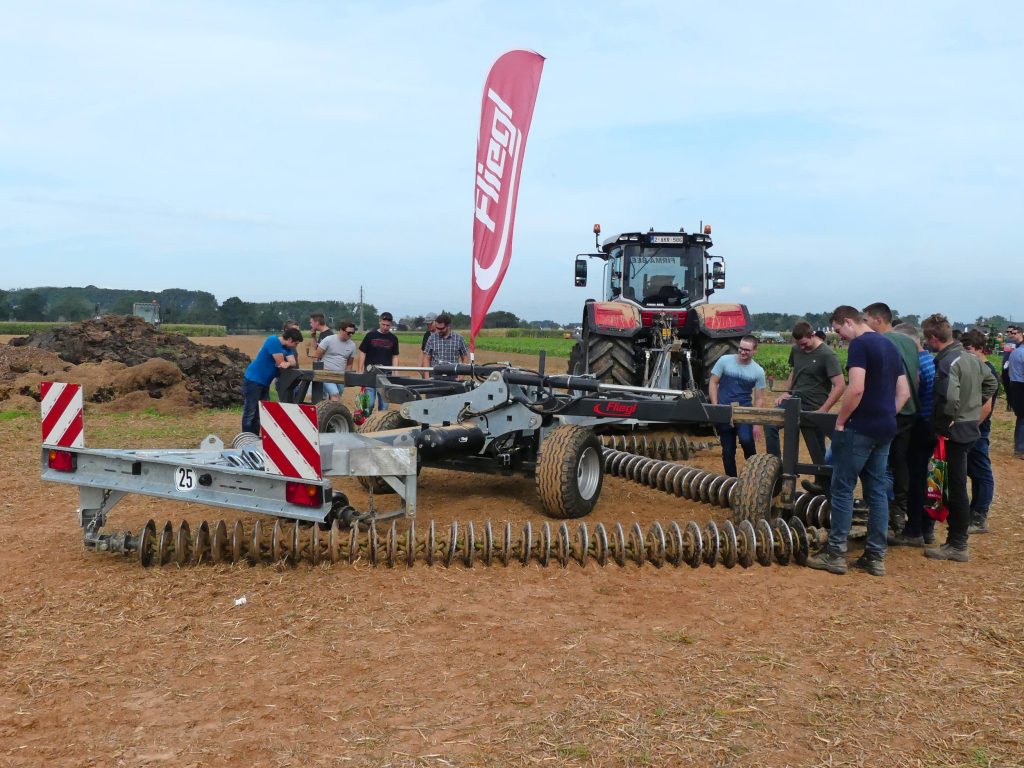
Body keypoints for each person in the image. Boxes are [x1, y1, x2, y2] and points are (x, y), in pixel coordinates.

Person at [807, 306, 909, 577]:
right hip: (885, 429)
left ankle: (835, 553)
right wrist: (887, 414)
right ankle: (875, 557)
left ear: (848, 322)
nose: (839, 337)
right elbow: (904, 392)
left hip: (859, 429)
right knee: (876, 492)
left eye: (839, 331)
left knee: (842, 489)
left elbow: (856, 388)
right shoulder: (889, 346)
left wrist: (841, 420)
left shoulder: (860, 346)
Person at [921, 314, 998, 562]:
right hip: (968, 429)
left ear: (934, 338)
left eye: (927, 339)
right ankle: (956, 541)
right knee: (954, 485)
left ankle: (957, 544)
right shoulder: (970, 358)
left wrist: (947, 420)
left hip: (953, 432)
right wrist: (973, 409)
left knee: (954, 488)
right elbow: (991, 384)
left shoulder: (947, 362)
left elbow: (949, 397)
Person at [764, 320, 845, 495]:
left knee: (817, 448)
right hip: (794, 401)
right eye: (799, 344)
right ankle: (776, 467)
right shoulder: (796, 349)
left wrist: (823, 410)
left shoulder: (827, 355)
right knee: (770, 422)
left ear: (812, 335)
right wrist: (787, 391)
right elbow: (794, 371)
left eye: (805, 344)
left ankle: (822, 484)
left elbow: (839, 385)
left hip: (814, 406)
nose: (802, 347)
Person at [863, 302, 920, 535]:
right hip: (909, 410)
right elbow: (914, 378)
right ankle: (899, 507)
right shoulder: (909, 342)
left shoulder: (880, 342)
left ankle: (883, 511)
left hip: (889, 409)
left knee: (880, 465)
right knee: (900, 463)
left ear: (878, 320)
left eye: (866, 320)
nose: (864, 325)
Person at [889, 323, 938, 547]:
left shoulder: (920, 364)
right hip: (930, 426)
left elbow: (913, 395)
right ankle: (927, 528)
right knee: (929, 479)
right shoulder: (930, 361)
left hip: (921, 426)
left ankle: (914, 529)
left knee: (916, 479)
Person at [708, 335, 767, 477]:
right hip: (725, 411)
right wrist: (716, 407)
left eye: (747, 350)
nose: (743, 352)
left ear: (755, 351)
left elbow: (759, 399)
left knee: (747, 441)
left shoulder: (758, 371)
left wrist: (756, 423)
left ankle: (754, 475)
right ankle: (731, 481)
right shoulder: (724, 361)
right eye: (741, 348)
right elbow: (713, 382)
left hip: (744, 411)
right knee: (728, 451)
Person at [961, 330, 998, 534]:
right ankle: (973, 512)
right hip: (972, 429)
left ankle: (979, 516)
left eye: (969, 350)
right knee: (974, 472)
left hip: (977, 430)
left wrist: (970, 428)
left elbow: (985, 406)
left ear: (979, 349)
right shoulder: (976, 368)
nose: (966, 354)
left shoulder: (987, 371)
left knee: (982, 474)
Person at [241, 327, 303, 435]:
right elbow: (280, 363)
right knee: (251, 411)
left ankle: (255, 436)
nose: (295, 346)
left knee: (261, 411)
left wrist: (288, 363)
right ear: (289, 339)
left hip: (264, 383)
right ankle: (246, 437)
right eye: (296, 343)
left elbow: (293, 362)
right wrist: (286, 362)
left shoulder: (286, 347)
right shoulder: (273, 341)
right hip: (254, 380)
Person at [357, 312, 400, 414]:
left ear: (391, 325)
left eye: (388, 325)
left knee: (384, 406)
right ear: (379, 322)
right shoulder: (370, 336)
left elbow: (395, 356)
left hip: (385, 375)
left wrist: (395, 372)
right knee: (368, 404)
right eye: (383, 324)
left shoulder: (393, 339)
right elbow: (362, 353)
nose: (385, 327)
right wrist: (359, 370)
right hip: (370, 374)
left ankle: (380, 427)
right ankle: (365, 425)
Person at [312, 321, 357, 402]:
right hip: (326, 374)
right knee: (335, 394)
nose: (351, 335)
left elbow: (350, 364)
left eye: (352, 333)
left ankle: (329, 411)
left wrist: (347, 377)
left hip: (340, 376)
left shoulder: (352, 345)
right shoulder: (328, 340)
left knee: (338, 396)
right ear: (341, 330)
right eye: (349, 332)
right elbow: (316, 356)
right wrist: (318, 374)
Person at [420, 313, 469, 377]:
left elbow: (465, 357)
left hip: (453, 376)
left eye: (441, 328)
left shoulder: (459, 339)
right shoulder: (431, 338)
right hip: (435, 376)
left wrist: (461, 375)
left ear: (448, 326)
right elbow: (426, 358)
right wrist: (427, 377)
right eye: (437, 328)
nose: (438, 331)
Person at [1007, 327, 1024, 457]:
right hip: (1022, 385)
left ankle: (1019, 447)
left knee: (1021, 418)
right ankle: (1020, 448)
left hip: (1014, 386)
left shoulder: (1014, 352)